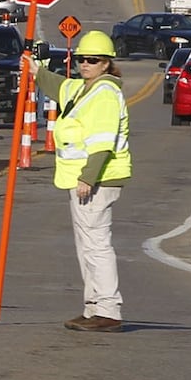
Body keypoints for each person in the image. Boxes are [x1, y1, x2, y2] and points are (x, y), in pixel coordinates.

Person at [32, 30, 131, 332]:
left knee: (97, 245)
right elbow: (59, 86)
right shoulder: (83, 89)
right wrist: (35, 70)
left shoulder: (104, 94)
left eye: (92, 60)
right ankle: (93, 309)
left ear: (106, 64)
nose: (84, 64)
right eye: (81, 59)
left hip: (98, 180)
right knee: (85, 245)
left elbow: (103, 142)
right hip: (83, 181)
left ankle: (108, 309)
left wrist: (89, 177)